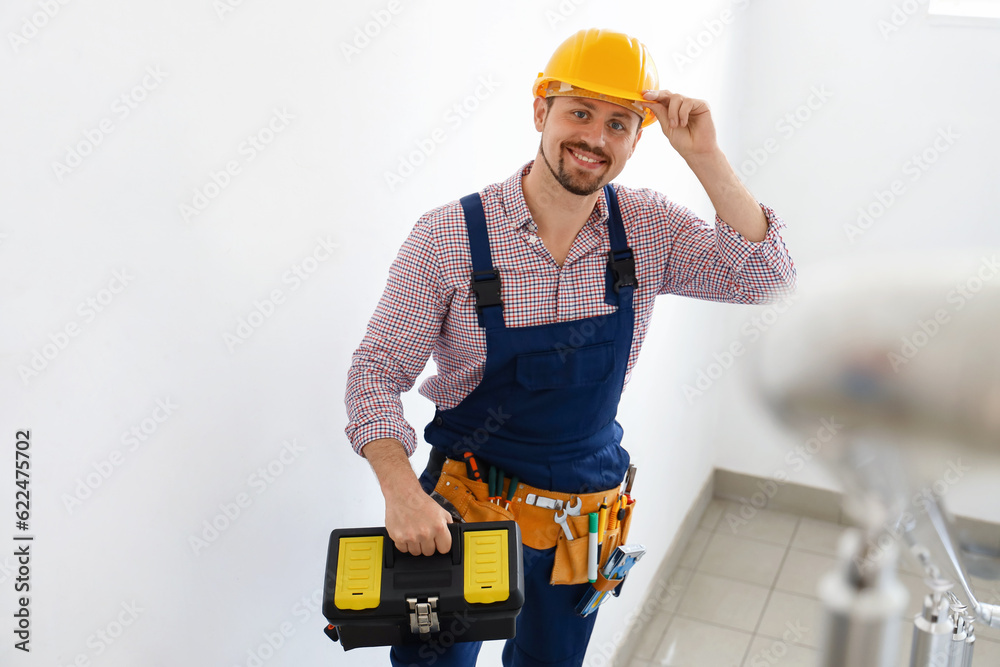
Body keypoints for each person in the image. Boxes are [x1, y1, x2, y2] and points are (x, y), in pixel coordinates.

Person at [345, 28, 796, 667]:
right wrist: (400, 492)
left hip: (582, 517)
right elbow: (373, 376)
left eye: (619, 123)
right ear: (541, 111)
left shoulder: (647, 229)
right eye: (579, 112)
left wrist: (704, 156)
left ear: (638, 139)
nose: (595, 138)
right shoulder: (447, 237)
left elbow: (767, 279)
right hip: (464, 505)